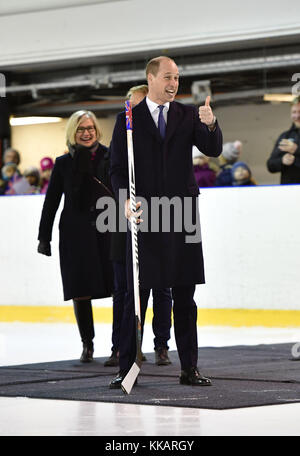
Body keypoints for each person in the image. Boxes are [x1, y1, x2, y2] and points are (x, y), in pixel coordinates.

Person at [109, 56, 222, 389]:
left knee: (185, 295)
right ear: (151, 78)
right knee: (137, 294)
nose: (174, 83)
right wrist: (124, 200)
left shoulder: (188, 114)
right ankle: (127, 366)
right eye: (169, 77)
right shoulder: (127, 118)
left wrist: (211, 123)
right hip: (145, 214)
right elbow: (116, 167)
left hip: (183, 212)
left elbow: (212, 148)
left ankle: (189, 367)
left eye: (178, 78)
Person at [37, 110, 114, 363]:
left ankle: (119, 346)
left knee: (118, 289)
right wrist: (44, 236)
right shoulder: (63, 163)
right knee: (79, 289)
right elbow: (51, 201)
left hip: (107, 229)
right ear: (73, 132)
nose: (87, 132)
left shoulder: (109, 155)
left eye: (90, 128)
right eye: (81, 129)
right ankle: (87, 344)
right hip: (75, 234)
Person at [105, 84, 173, 367]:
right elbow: (117, 169)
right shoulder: (124, 126)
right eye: (132, 106)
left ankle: (161, 345)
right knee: (132, 288)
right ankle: (129, 347)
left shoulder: (162, 127)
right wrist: (125, 199)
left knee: (164, 288)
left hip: (164, 212)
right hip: (132, 213)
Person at [266, 96, 300, 184]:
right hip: (288, 190)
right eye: (294, 112)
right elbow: (270, 165)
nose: (297, 116)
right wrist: (282, 161)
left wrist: (296, 150)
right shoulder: (285, 136)